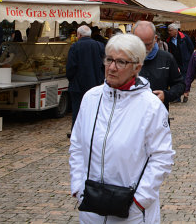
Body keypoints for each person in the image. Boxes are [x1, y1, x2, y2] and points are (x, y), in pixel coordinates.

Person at [69, 33, 174, 223]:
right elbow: (77, 145)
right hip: (91, 208)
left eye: (121, 62)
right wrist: (78, 186)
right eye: (109, 59)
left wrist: (139, 200)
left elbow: (161, 156)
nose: (111, 67)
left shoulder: (150, 106)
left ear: (137, 67)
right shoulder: (91, 98)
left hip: (131, 212)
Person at [133, 21, 185, 113]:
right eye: (139, 44)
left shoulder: (166, 58)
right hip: (132, 115)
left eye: (147, 45)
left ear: (155, 39)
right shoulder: (125, 58)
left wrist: (166, 95)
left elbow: (180, 84)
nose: (143, 49)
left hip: (159, 114)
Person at [65, 25, 105, 128]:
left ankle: (77, 134)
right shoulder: (99, 45)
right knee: (94, 111)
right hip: (95, 84)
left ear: (79, 35)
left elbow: (71, 67)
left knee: (78, 112)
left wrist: (71, 79)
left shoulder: (75, 46)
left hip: (78, 86)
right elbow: (104, 64)